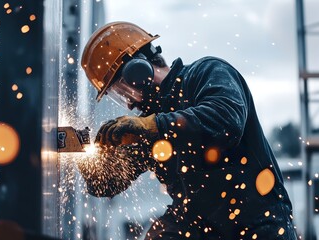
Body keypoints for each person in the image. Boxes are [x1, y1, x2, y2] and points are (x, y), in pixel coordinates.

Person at [80, 21, 298, 239]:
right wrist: (91, 161)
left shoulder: (207, 73)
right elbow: (109, 183)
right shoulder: (147, 126)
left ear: (138, 72)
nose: (129, 104)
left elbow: (226, 122)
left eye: (124, 91)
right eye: (118, 96)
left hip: (257, 224)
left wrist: (155, 127)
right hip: (203, 227)